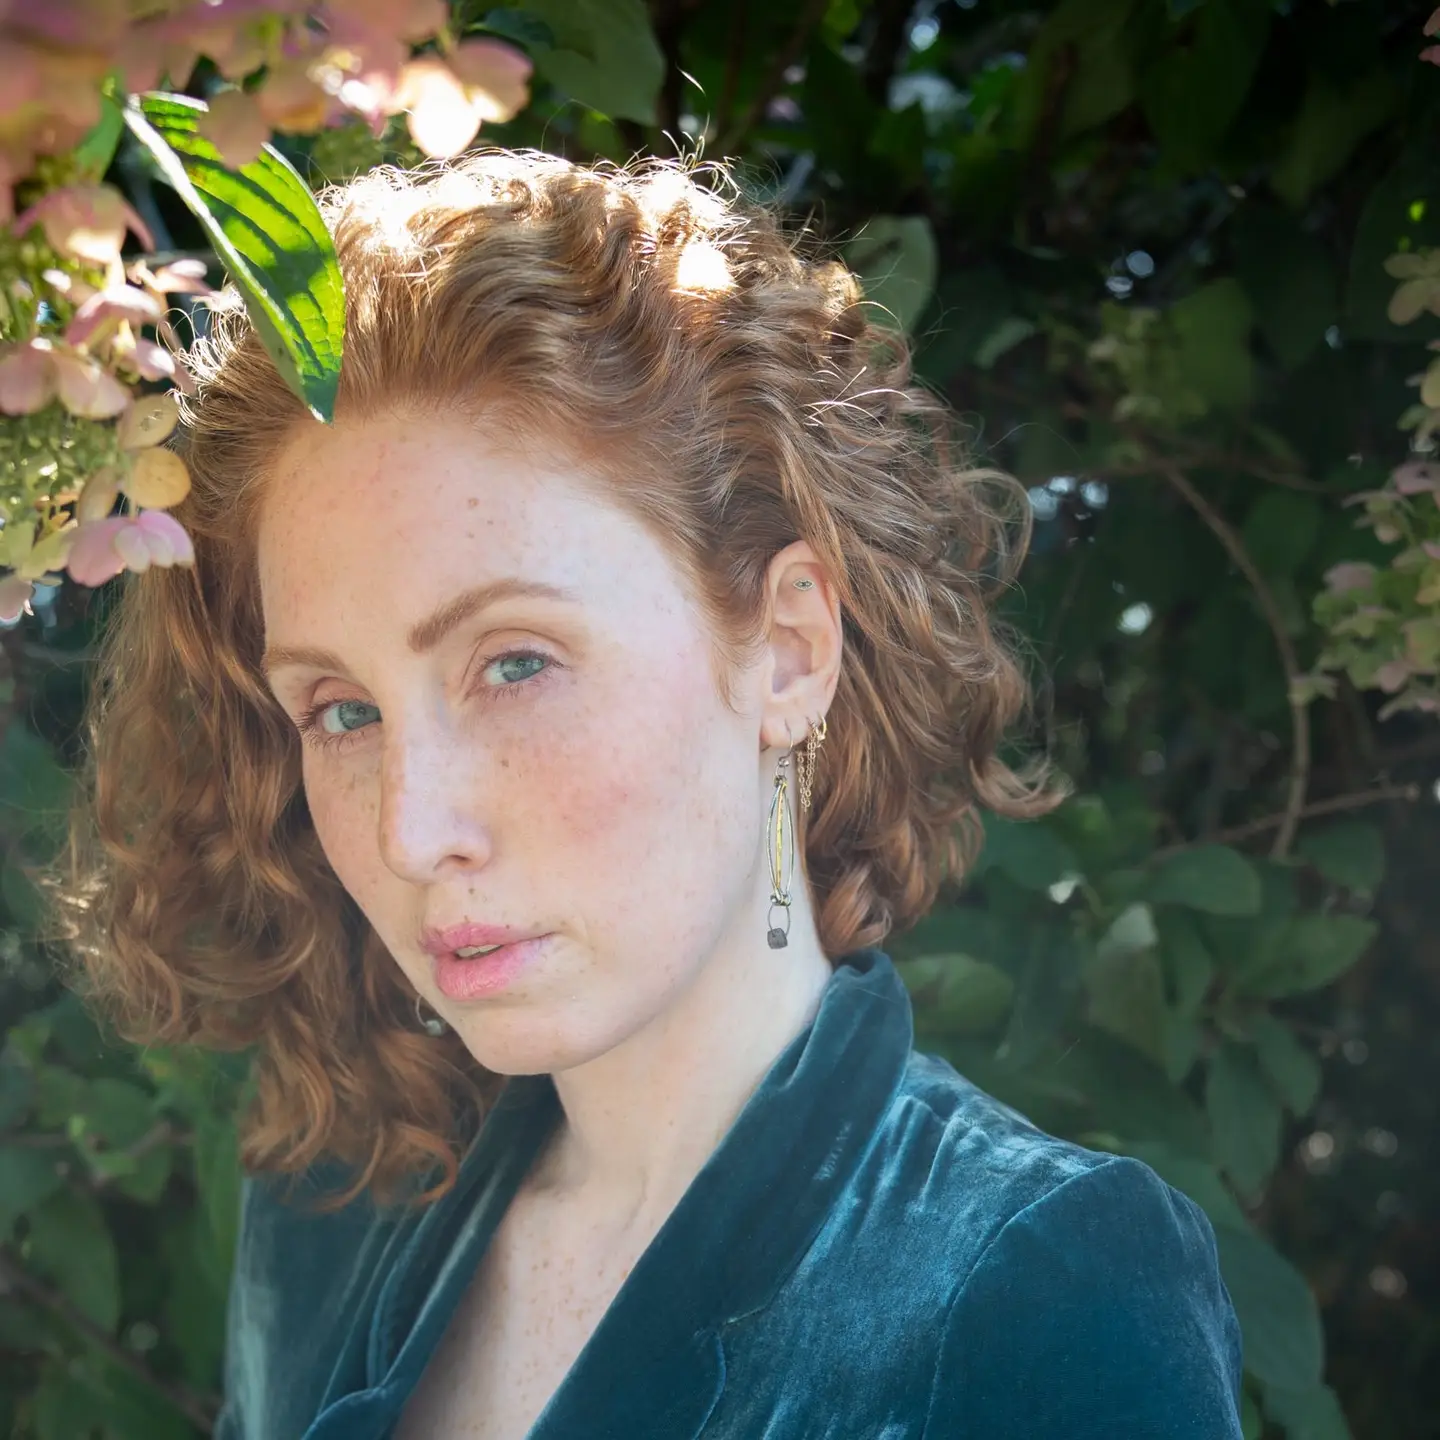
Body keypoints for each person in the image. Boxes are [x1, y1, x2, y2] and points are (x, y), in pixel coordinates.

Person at [53, 149, 1244, 1439]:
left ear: (788, 650)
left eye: (516, 664)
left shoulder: (1040, 1292)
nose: (410, 830)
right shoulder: (327, 1213)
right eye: (342, 711)